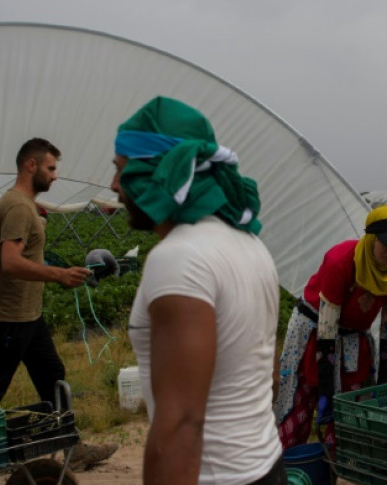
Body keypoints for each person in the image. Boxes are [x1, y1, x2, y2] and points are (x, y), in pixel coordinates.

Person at [112, 96, 285, 485]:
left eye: (121, 171)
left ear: (158, 173)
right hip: (266, 465)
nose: (114, 186)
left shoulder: (179, 258)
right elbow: (269, 375)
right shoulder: (251, 245)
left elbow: (181, 425)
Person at [0, 137, 118, 471]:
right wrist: (58, 275)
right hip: (10, 317)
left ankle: (74, 449)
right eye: (50, 168)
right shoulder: (19, 207)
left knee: (52, 374)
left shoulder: (18, 205)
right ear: (30, 165)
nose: (55, 176)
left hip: (26, 316)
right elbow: (10, 262)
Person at [274, 204, 387, 452]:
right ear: (371, 239)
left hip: (353, 338)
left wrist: (382, 386)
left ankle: (337, 466)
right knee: (300, 403)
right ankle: (288, 463)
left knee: (350, 412)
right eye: (386, 244)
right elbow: (327, 331)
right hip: (314, 331)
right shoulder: (342, 260)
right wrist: (326, 391)